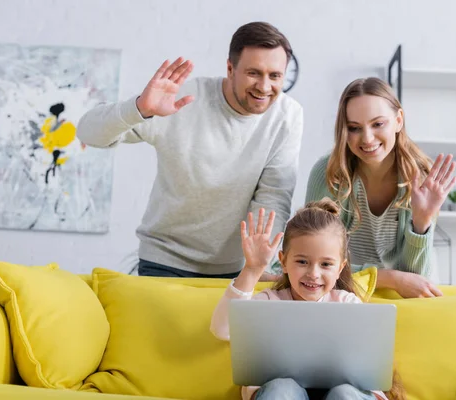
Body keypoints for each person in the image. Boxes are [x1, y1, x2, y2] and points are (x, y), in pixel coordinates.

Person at [76, 22, 303, 279]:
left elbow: (274, 196)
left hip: (236, 268)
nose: (264, 87)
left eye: (275, 76)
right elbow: (87, 132)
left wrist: (259, 264)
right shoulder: (182, 99)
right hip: (163, 262)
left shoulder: (288, 115)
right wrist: (140, 108)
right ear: (230, 68)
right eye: (254, 73)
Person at [210, 199, 405, 400]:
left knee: (344, 393)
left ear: (340, 268)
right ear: (283, 261)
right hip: (281, 394)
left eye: (326, 264)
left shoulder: (348, 304)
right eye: (302, 261)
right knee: (282, 390)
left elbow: (367, 370)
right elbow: (222, 329)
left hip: (342, 393)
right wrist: (252, 270)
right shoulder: (268, 302)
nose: (313, 273)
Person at [306, 77, 456, 298]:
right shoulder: (329, 174)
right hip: (349, 292)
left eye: (378, 124)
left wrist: (421, 223)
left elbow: (413, 278)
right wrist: (388, 277)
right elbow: (314, 261)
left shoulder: (421, 177)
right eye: (355, 128)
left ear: (398, 120)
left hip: (409, 295)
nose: (367, 139)